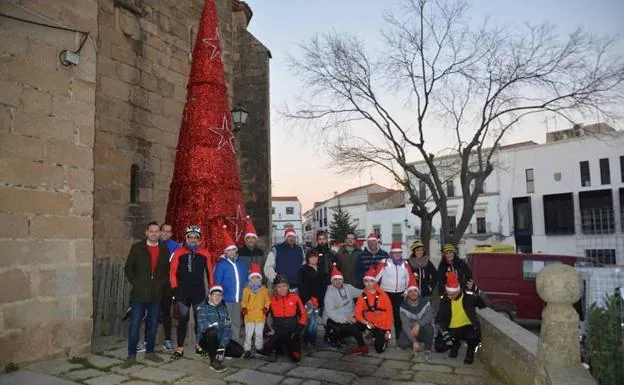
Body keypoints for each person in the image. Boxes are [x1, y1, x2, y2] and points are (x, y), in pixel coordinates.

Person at [122, 221, 169, 367]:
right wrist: (137, 284)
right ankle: (131, 355)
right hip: (139, 294)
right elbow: (129, 268)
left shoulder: (164, 249)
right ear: (147, 233)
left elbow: (165, 271)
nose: (154, 233)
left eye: (157, 231)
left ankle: (150, 352)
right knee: (135, 324)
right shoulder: (137, 248)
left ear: (159, 234)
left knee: (153, 324)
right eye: (152, 231)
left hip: (155, 294)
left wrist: (160, 285)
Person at [169, 225, 214, 359]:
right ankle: (180, 348)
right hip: (183, 291)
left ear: (199, 239)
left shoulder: (205, 253)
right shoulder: (178, 252)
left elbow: (210, 272)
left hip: (199, 292)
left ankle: (199, 346)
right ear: (186, 238)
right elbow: (172, 272)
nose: (193, 239)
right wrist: (175, 288)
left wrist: (212, 288)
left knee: (199, 321)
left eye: (195, 237)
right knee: (182, 320)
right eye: (190, 237)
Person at [436, 272, 486, 364]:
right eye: (448, 294)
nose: (450, 297)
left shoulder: (469, 296)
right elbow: (440, 319)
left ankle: (470, 353)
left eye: (452, 294)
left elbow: (484, 304)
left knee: (473, 336)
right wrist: (446, 335)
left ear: (458, 291)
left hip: (467, 326)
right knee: (439, 347)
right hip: (451, 327)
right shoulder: (445, 299)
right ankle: (455, 344)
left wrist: (477, 290)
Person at [259, 275, 307, 362]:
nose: (282, 289)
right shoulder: (271, 300)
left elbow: (303, 315)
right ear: (275, 288)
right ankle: (279, 346)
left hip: (292, 332)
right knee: (266, 350)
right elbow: (262, 316)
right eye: (279, 287)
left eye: (284, 286)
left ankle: (288, 346)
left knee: (296, 358)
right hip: (277, 331)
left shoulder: (295, 298)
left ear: (288, 286)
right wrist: (267, 329)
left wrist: (298, 330)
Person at [196, 285, 244, 373]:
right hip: (206, 339)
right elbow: (203, 327)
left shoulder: (224, 309)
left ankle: (218, 351)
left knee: (239, 351)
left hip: (219, 338)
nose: (217, 297)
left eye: (219, 295)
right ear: (209, 296)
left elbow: (227, 329)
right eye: (214, 295)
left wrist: (222, 346)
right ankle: (214, 361)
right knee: (212, 332)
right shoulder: (202, 308)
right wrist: (218, 324)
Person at [214, 226, 248, 344]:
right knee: (225, 322)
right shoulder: (221, 265)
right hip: (226, 298)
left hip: (238, 298)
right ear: (225, 252)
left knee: (236, 321)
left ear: (236, 250)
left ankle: (235, 342)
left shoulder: (242, 264)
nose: (231, 252)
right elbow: (217, 282)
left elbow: (245, 280)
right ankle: (224, 343)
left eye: (233, 250)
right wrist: (219, 297)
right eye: (229, 250)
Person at [375, 240, 412, 344]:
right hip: (386, 294)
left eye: (399, 253)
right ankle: (384, 338)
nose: (397, 254)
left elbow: (410, 279)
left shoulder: (405, 264)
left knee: (398, 318)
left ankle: (399, 339)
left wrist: (406, 291)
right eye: (395, 253)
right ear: (391, 253)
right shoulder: (385, 262)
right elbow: (375, 279)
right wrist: (379, 292)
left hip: (399, 295)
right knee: (385, 317)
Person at [323, 266, 365, 350]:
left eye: (340, 279)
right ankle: (331, 338)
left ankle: (341, 337)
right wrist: (345, 319)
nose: (338, 281)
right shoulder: (329, 292)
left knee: (363, 325)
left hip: (350, 315)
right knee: (351, 327)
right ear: (331, 281)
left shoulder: (348, 287)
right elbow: (330, 312)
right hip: (333, 318)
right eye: (335, 279)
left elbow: (360, 293)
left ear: (343, 280)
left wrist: (370, 290)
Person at [354, 266, 393, 354]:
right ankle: (364, 341)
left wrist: (388, 330)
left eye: (371, 281)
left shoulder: (383, 295)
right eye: (366, 281)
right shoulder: (362, 296)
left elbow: (390, 313)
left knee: (379, 350)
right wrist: (366, 322)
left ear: (375, 282)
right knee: (354, 325)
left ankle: (380, 337)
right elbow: (357, 313)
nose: (369, 284)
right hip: (370, 322)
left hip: (382, 323)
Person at [398, 275, 434, 362]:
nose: (413, 293)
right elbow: (405, 325)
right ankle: (415, 344)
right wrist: (413, 341)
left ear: (418, 292)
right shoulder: (403, 307)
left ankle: (427, 350)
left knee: (429, 327)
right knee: (402, 344)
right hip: (411, 330)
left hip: (422, 328)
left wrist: (418, 324)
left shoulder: (425, 302)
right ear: (407, 293)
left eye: (415, 291)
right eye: (410, 291)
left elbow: (429, 317)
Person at [298, 248, 328, 351]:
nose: (313, 259)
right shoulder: (304, 269)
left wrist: (321, 298)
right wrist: (307, 299)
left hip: (318, 299)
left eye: (315, 256)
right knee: (310, 321)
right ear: (308, 258)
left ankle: (309, 340)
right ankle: (309, 340)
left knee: (314, 321)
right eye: (311, 257)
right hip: (308, 300)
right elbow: (301, 286)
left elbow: (324, 284)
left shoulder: (321, 268)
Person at [157, 223, 180, 352]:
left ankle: (167, 339)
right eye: (163, 231)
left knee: (166, 312)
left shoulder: (176, 247)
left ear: (171, 234)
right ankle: (148, 340)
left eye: (168, 231)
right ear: (160, 232)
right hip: (154, 285)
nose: (165, 233)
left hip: (167, 285)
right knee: (152, 311)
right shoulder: (153, 244)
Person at [241, 263, 271, 358]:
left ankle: (259, 348)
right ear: (250, 279)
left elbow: (267, 300)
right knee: (249, 334)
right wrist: (244, 308)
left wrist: (266, 307)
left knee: (259, 333)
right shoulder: (246, 290)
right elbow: (244, 301)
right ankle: (247, 349)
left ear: (260, 279)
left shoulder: (264, 290)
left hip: (260, 315)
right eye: (253, 278)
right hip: (249, 315)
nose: (255, 280)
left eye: (257, 278)